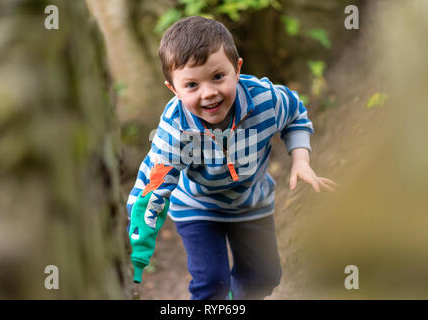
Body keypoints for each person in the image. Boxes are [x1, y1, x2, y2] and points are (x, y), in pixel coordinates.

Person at [127, 16, 337, 300]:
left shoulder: (265, 100)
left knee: (263, 277)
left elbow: (296, 114)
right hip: (197, 206)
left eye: (217, 77)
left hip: (251, 202)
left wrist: (301, 160)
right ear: (173, 89)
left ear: (237, 70)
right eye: (191, 85)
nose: (209, 93)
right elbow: (153, 184)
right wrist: (141, 240)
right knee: (211, 283)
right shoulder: (175, 129)